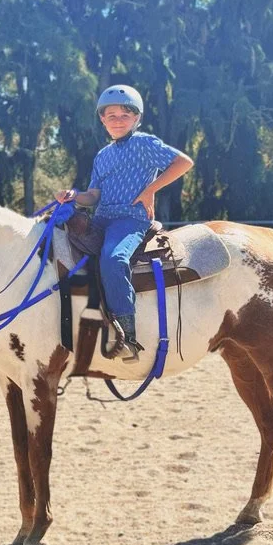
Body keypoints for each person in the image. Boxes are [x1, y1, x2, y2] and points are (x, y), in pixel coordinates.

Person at [56, 85, 194, 361]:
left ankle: (127, 335)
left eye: (124, 115)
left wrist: (150, 190)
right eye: (111, 115)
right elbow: (94, 195)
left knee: (113, 258)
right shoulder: (102, 155)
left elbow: (183, 162)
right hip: (103, 217)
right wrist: (73, 195)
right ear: (103, 120)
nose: (118, 120)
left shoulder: (144, 143)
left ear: (136, 118)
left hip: (131, 218)